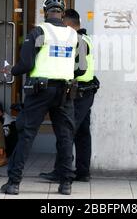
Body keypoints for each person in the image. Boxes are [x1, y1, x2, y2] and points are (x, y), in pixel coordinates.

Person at [0, 0, 85, 195]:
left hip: (40, 91)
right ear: (63, 13)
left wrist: (10, 70)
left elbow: (27, 64)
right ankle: (65, 184)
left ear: (45, 12)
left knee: (26, 135)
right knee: (65, 137)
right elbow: (81, 69)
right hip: (64, 91)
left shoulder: (39, 32)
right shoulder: (75, 36)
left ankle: (13, 183)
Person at [39, 9, 99, 183]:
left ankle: (61, 172)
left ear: (68, 23)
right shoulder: (86, 38)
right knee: (82, 133)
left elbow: (77, 67)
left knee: (67, 132)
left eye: (62, 23)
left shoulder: (78, 41)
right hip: (86, 91)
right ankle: (83, 172)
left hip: (79, 92)